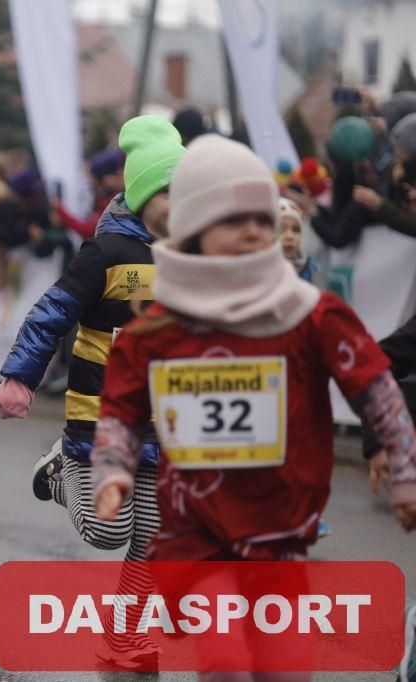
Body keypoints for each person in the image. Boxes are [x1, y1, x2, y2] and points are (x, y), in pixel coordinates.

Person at [91, 135, 415, 674]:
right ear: (193, 231)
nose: (252, 231)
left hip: (278, 525)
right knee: (223, 657)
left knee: (283, 664)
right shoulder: (156, 331)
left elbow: (375, 386)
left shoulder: (309, 313)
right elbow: (121, 413)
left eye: (262, 220)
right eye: (232, 219)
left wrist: (403, 469)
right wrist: (111, 471)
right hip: (197, 527)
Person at [0, 114, 186, 669]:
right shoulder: (106, 253)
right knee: (108, 531)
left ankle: (122, 639)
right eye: (169, 192)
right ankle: (60, 470)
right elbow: (50, 315)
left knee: (152, 535)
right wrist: (20, 376)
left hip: (168, 420)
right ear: (143, 196)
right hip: (103, 413)